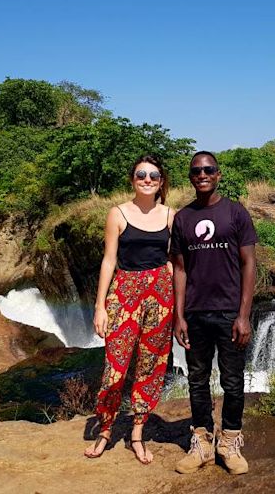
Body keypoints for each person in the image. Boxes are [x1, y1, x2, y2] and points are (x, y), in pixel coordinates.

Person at [83, 154, 175, 464]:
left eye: (153, 175)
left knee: (151, 365)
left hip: (161, 294)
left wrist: (179, 307)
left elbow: (173, 262)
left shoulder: (170, 215)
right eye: (141, 175)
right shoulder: (118, 213)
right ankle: (105, 430)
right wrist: (100, 306)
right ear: (132, 180)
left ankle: (137, 433)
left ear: (161, 181)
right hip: (125, 293)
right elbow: (109, 260)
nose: (147, 179)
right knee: (115, 365)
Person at [171, 151, 257, 475]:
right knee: (197, 381)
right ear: (191, 177)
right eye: (196, 170)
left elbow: (249, 263)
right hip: (195, 313)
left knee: (232, 382)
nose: (202, 174)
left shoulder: (235, 213)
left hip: (229, 313)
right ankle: (203, 442)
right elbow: (179, 269)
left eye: (208, 169)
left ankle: (230, 441)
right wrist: (179, 316)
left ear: (218, 175)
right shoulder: (182, 218)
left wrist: (244, 315)